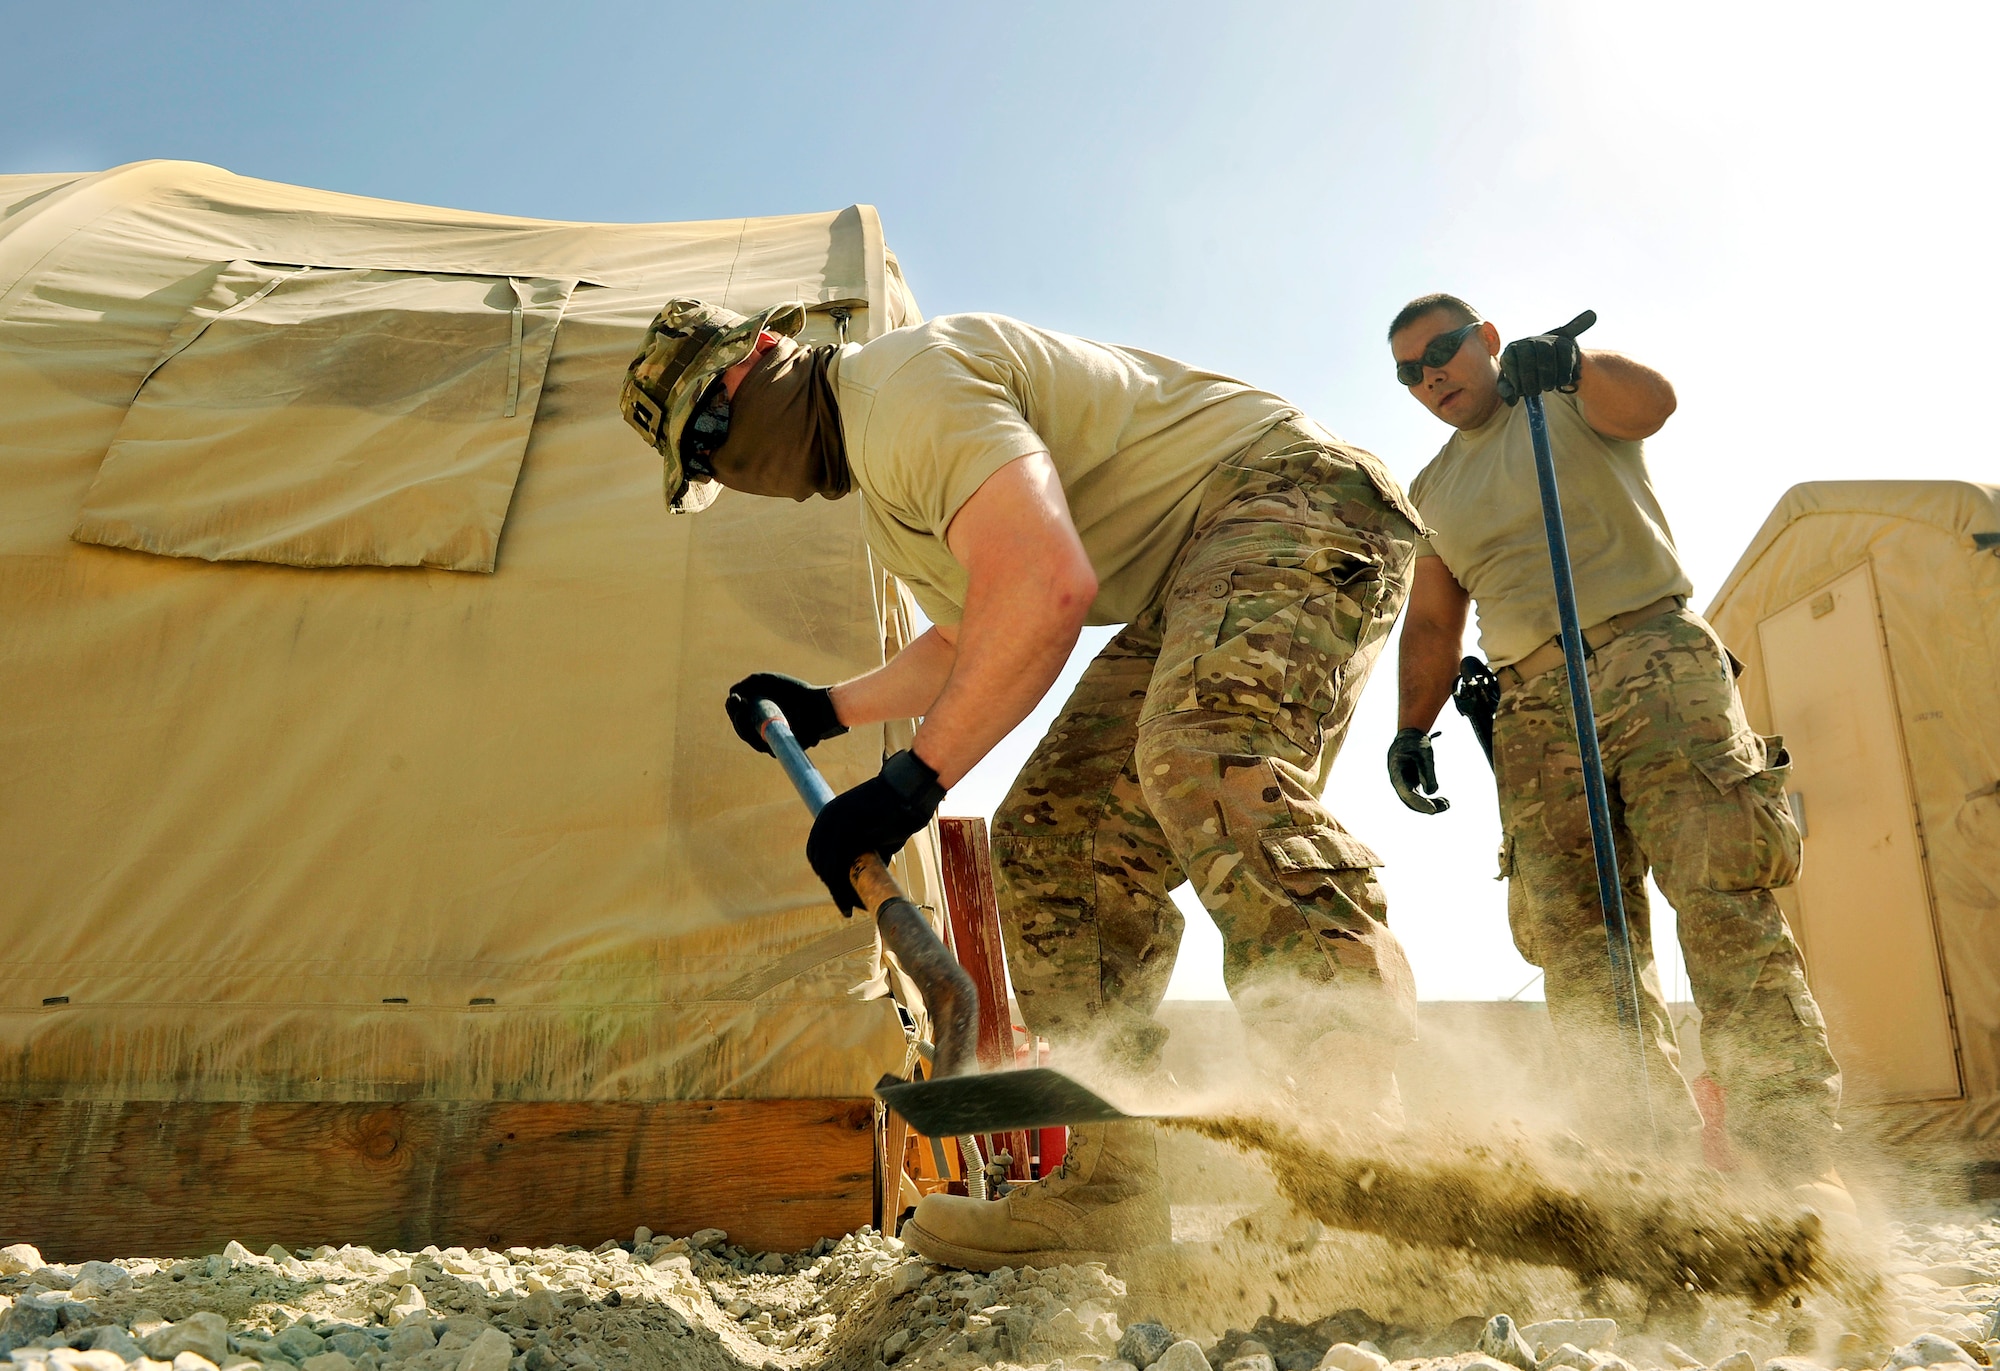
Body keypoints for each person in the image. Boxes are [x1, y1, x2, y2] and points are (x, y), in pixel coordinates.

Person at [619, 300, 1427, 1269]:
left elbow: (1045, 587)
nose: (728, 469)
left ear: (762, 353)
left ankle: (1365, 1146)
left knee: (1201, 751)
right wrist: (827, 708)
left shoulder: (900, 391)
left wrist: (911, 781)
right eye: (701, 468)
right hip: (1195, 567)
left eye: (710, 429)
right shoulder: (885, 495)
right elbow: (974, 632)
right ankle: (1107, 1190)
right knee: (1056, 844)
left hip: (1290, 496)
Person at [1384, 293, 1841, 1186]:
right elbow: (1434, 624)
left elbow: (1654, 404)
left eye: (1441, 350)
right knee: (1579, 942)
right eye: (1408, 371)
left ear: (1483, 338)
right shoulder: (1432, 491)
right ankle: (1650, 1174)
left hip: (1652, 661)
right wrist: (1411, 728)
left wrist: (1572, 364)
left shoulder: (1560, 399)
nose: (1430, 375)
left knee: (1721, 899)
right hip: (1533, 707)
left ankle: (1792, 1163)